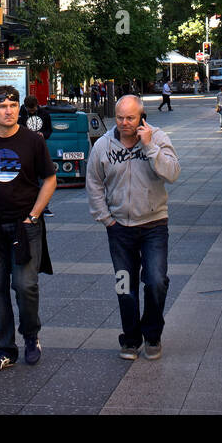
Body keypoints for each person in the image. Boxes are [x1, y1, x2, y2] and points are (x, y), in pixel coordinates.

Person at [0, 84, 58, 372]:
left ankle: (31, 336)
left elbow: (50, 179)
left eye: (13, 105)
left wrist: (34, 215)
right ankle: (4, 350)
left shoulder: (34, 141)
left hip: (25, 226)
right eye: (3, 106)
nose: (9, 110)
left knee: (25, 285)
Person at [86, 94, 181, 360]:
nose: (124, 123)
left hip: (153, 224)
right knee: (124, 285)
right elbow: (93, 182)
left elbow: (173, 173)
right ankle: (130, 339)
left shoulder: (158, 137)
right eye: (119, 117)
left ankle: (152, 335)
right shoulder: (103, 145)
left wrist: (150, 147)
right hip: (119, 228)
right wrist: (105, 218)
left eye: (130, 117)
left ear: (142, 117)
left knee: (156, 281)